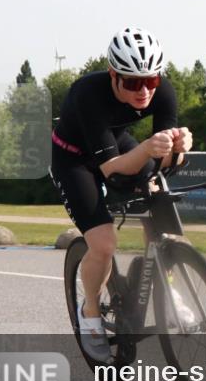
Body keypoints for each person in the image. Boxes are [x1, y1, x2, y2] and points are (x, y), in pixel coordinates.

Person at [49, 27, 192, 362]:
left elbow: (165, 158)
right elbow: (111, 169)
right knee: (104, 243)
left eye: (151, 81)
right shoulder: (88, 93)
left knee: (157, 196)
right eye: (131, 82)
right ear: (113, 75)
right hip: (73, 158)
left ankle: (171, 290)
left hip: (117, 144)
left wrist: (183, 148)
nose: (143, 90)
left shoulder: (163, 90)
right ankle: (91, 314)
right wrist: (147, 149)